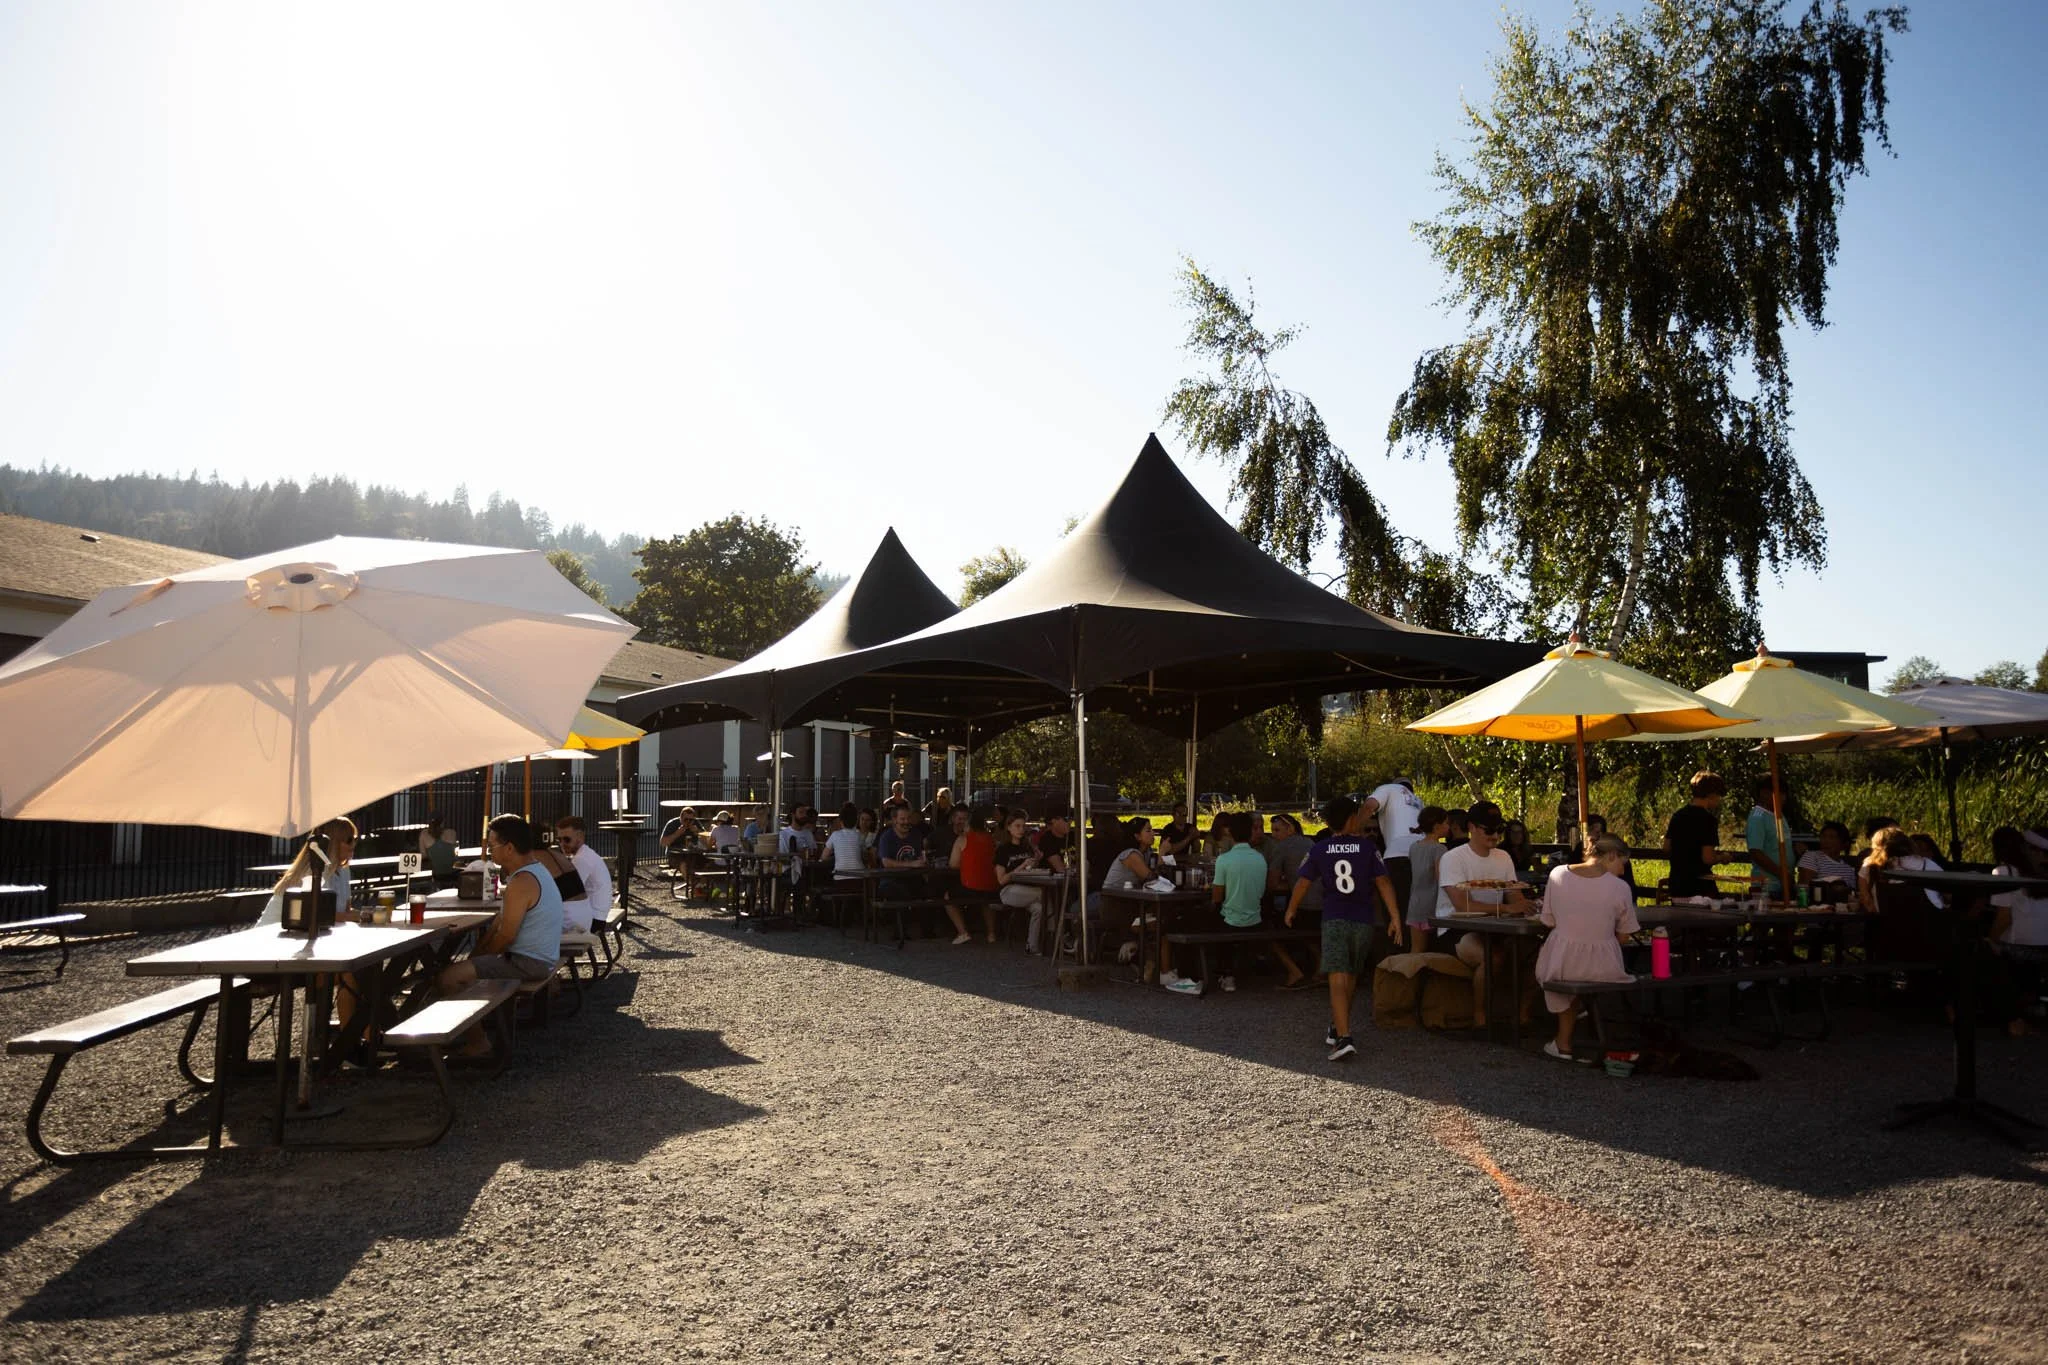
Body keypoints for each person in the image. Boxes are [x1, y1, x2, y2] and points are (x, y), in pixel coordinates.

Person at [438, 815, 565, 1053]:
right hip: (540, 958)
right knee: (464, 968)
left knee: (449, 978)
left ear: (509, 848)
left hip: (529, 962)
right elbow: (499, 924)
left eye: (492, 844)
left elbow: (506, 936)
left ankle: (478, 1042)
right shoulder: (534, 872)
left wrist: (477, 961)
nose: (488, 849)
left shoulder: (522, 881)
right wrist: (478, 955)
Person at [1286, 797, 1399, 1062]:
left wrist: (1291, 908)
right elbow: (1382, 882)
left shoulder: (1320, 848)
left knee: (1337, 972)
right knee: (1352, 973)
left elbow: (1303, 882)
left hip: (1335, 916)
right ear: (1351, 819)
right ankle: (1338, 1027)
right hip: (1363, 919)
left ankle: (1344, 1036)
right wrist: (1394, 916)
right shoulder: (1368, 848)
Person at [1535, 835, 1641, 1061]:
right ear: (1611, 855)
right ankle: (1573, 1034)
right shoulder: (1620, 887)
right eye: (1622, 863)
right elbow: (1624, 935)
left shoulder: (1558, 874)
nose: (1623, 870)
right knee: (1584, 971)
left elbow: (1549, 920)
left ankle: (1564, 1042)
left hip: (1561, 961)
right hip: (1605, 966)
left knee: (1567, 968)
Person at [1438, 813, 1532, 1029]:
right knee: (1491, 957)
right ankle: (1480, 1020)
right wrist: (1508, 908)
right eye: (1489, 830)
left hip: (1498, 926)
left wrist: (1526, 905)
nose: (1496, 835)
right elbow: (1462, 905)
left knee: (1538, 952)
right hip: (1456, 927)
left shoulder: (1503, 857)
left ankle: (1522, 1016)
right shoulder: (1453, 858)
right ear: (1472, 827)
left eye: (1500, 830)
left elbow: (1513, 894)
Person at [992, 810, 1050, 954]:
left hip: (1027, 888)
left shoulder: (1027, 846)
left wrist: (1036, 860)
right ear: (1009, 827)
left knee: (1039, 908)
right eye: (1017, 826)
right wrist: (1020, 867)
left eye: (1023, 826)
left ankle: (1032, 945)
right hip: (1009, 890)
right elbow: (1001, 880)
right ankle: (1057, 935)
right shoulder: (1003, 850)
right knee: (1045, 895)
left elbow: (1030, 869)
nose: (1021, 830)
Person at [1662, 772, 1726, 899]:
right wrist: (1722, 857)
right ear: (1711, 795)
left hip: (1677, 882)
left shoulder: (1678, 816)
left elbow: (1666, 848)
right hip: (1700, 885)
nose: (1719, 800)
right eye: (1719, 795)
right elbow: (1707, 858)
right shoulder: (1708, 820)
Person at [1366, 777, 1425, 912]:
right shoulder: (1419, 802)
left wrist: (1353, 831)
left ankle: (1395, 929)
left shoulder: (1389, 789)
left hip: (1397, 855)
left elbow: (1369, 806)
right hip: (1421, 853)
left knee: (1397, 903)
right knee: (1416, 906)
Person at [944, 808, 1001, 944]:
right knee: (986, 902)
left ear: (968, 824)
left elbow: (953, 864)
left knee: (947, 897)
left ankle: (963, 932)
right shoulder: (991, 839)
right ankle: (991, 934)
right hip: (992, 885)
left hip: (970, 886)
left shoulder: (962, 839)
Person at [552, 815, 611, 933]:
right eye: (559, 840)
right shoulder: (586, 854)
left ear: (580, 836)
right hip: (597, 916)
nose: (562, 844)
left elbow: (566, 892)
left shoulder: (582, 859)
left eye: (567, 839)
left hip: (594, 920)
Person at [1404, 806, 1451, 953]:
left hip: (1415, 905)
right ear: (1437, 826)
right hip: (1433, 905)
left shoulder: (1414, 847)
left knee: (1416, 951)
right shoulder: (1440, 849)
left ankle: (1411, 976)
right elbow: (1440, 877)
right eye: (1447, 823)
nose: (1449, 827)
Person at [1743, 777, 1789, 899]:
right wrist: (1781, 873)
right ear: (1764, 793)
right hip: (1767, 886)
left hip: (1782, 884)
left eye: (1784, 794)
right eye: (1780, 794)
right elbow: (1756, 852)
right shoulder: (1758, 817)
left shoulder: (1779, 815)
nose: (1783, 798)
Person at [877, 801, 926, 907]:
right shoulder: (886, 837)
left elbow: (921, 856)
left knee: (932, 891)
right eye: (902, 819)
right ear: (894, 820)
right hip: (891, 881)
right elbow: (886, 863)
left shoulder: (916, 834)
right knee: (900, 892)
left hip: (913, 880)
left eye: (908, 818)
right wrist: (912, 864)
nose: (906, 822)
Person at [1797, 821, 1859, 893]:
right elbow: (1804, 889)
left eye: (1832, 837)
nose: (1826, 841)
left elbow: (1851, 894)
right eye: (1823, 836)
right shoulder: (1812, 857)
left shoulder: (1848, 870)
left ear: (1844, 844)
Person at [1581, 815, 1636, 896]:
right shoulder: (1579, 850)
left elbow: (1631, 892)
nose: (1597, 835)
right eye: (1593, 830)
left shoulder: (1619, 856)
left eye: (1600, 832)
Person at [825, 803, 868, 880]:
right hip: (859, 878)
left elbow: (824, 857)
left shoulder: (835, 835)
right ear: (856, 821)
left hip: (840, 878)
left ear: (840, 821)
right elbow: (865, 856)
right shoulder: (859, 836)